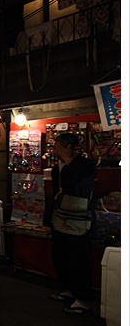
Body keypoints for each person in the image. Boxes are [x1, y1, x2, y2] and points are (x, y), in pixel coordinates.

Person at [47, 132, 97, 314]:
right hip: (60, 214)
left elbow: (81, 185)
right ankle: (68, 289)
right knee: (60, 255)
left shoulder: (86, 165)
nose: (55, 151)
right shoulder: (56, 167)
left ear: (69, 147)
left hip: (79, 217)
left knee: (78, 258)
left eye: (58, 147)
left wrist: (68, 159)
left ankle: (83, 299)